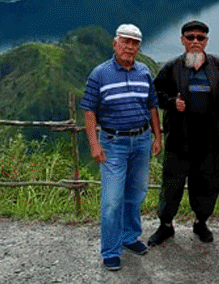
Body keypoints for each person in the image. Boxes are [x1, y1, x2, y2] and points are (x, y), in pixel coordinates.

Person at [80, 24, 163, 271]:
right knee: (112, 200)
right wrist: (94, 144)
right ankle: (110, 249)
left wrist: (157, 138)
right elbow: (89, 111)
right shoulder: (100, 73)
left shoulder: (144, 72)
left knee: (136, 193)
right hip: (113, 143)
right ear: (115, 44)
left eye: (134, 43)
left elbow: (152, 107)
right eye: (125, 41)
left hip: (142, 140)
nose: (130, 47)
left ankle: (129, 237)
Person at [148, 20, 219, 246]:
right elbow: (155, 94)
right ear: (182, 40)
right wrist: (171, 103)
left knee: (206, 185)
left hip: (209, 142)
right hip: (179, 140)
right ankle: (165, 225)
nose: (195, 42)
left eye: (200, 38)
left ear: (206, 41)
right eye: (190, 37)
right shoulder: (171, 67)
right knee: (171, 185)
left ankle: (201, 222)